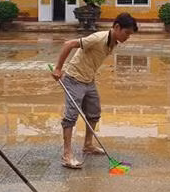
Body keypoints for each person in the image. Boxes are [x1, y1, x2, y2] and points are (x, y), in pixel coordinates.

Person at [52, 13, 138, 169]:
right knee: (71, 116)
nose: (128, 37)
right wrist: (58, 69)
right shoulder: (98, 38)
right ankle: (67, 155)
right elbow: (68, 44)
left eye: (130, 35)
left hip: (88, 80)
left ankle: (88, 145)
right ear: (117, 27)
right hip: (74, 79)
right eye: (127, 33)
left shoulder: (113, 42)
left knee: (94, 112)